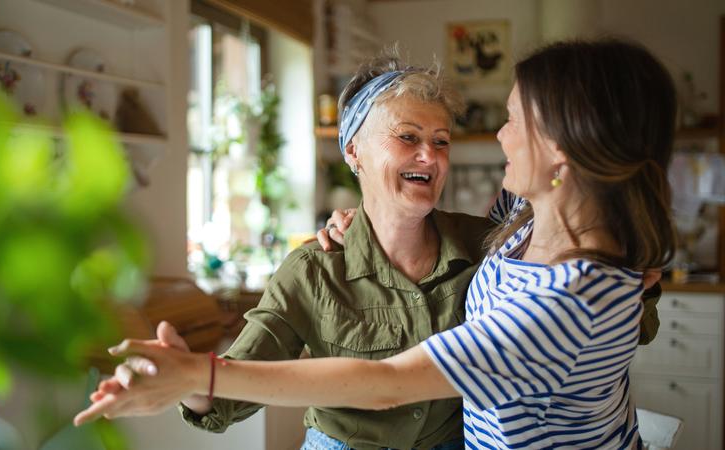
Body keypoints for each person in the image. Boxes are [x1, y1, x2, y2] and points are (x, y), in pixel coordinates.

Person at [75, 38, 673, 449]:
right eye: (408, 137)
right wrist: (197, 384)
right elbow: (234, 393)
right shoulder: (316, 267)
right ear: (354, 151)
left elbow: (389, 380)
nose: (431, 155)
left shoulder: (487, 240)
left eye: (440, 141)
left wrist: (634, 276)